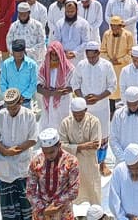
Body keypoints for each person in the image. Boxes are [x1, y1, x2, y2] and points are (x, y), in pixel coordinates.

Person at [69, 40, 117, 176]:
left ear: (98, 53)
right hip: (85, 110)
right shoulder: (81, 65)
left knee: (102, 136)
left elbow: (112, 86)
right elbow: (75, 84)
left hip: (102, 108)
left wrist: (98, 97)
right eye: (88, 57)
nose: (90, 60)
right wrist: (82, 100)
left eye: (93, 57)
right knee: (85, 136)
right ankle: (86, 165)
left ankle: (102, 164)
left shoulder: (107, 66)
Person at [0, 88, 37, 220]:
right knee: (8, 203)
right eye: (9, 108)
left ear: (20, 102)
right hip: (5, 162)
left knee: (25, 201)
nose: (11, 111)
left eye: (14, 107)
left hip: (22, 162)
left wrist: (15, 150)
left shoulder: (29, 115)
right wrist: (5, 151)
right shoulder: (1, 115)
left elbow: (33, 139)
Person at [25, 128, 80, 220]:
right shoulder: (36, 162)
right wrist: (43, 209)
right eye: (45, 152)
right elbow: (30, 191)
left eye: (51, 152)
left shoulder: (71, 161)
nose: (48, 156)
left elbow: (74, 190)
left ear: (59, 145)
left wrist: (55, 205)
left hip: (63, 211)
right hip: (41, 212)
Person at [57, 97, 102, 206]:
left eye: (80, 115)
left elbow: (95, 145)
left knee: (93, 192)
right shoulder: (65, 123)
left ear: (86, 110)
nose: (77, 117)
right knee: (71, 193)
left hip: (89, 164)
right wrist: (81, 147)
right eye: (75, 114)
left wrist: (72, 147)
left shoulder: (94, 122)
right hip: (71, 165)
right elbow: (61, 146)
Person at [38, 41, 75, 129]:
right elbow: (38, 87)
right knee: (48, 125)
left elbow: (74, 86)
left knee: (63, 125)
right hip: (48, 99)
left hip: (63, 101)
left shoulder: (69, 68)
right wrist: (51, 93)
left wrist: (61, 92)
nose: (54, 57)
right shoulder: (44, 67)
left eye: (56, 55)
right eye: (52, 54)